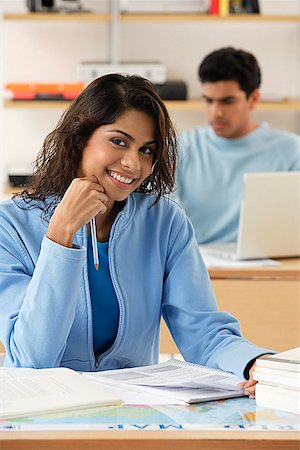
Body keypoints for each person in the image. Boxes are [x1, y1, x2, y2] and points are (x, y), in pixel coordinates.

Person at [0, 74, 272, 397]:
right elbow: (32, 360)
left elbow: (204, 333)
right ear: (80, 138)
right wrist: (61, 234)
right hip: (44, 413)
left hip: (133, 414)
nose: (133, 164)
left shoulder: (165, 222)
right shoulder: (10, 226)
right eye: (118, 141)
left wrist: (256, 363)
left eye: (146, 150)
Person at [174, 47, 300, 244]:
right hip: (199, 264)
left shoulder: (292, 151)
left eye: (227, 101)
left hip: (271, 266)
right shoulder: (180, 148)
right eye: (208, 100)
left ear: (254, 99)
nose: (216, 112)